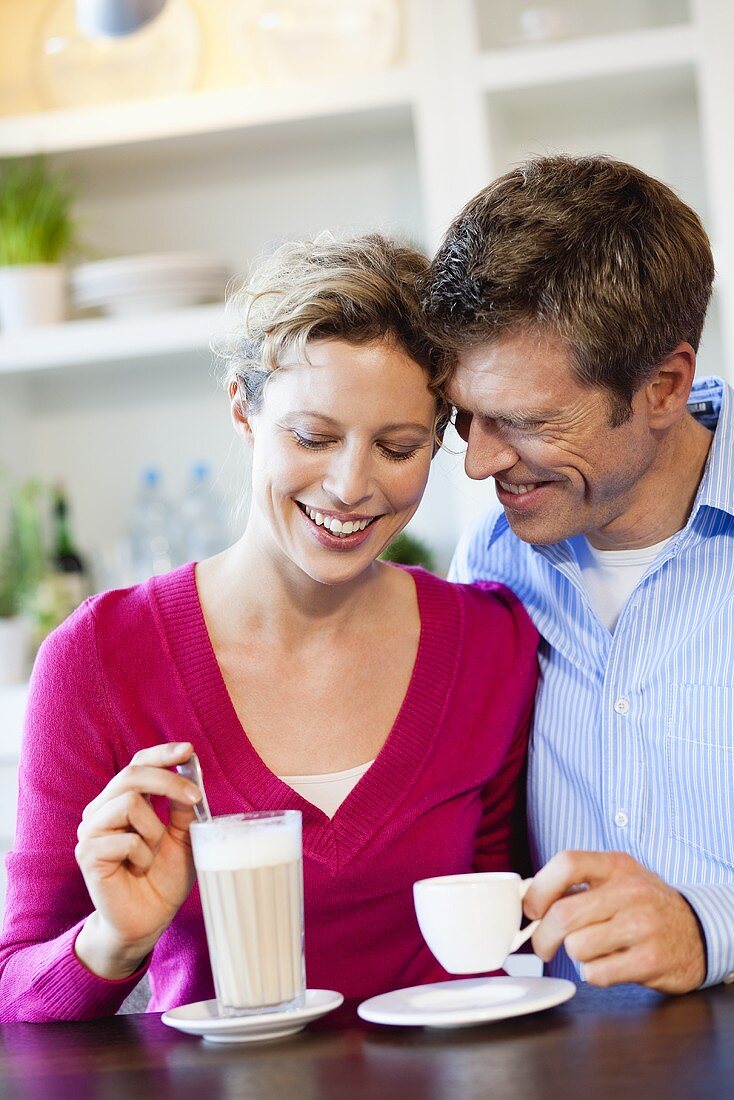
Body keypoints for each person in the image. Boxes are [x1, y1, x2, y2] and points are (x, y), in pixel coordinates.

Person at [0, 234, 538, 1022]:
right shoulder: (99, 660)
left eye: (398, 446)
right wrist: (113, 939)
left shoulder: (491, 644)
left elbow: (504, 946)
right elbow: (14, 992)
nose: (351, 486)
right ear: (243, 409)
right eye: (313, 437)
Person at [422, 154, 734, 995]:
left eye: (523, 421)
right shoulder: (489, 559)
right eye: (465, 418)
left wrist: (711, 926)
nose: (480, 463)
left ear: (665, 386)